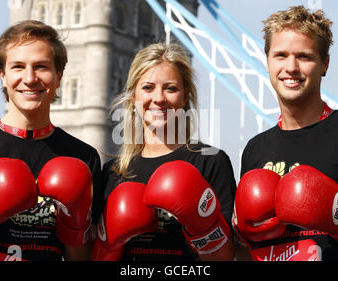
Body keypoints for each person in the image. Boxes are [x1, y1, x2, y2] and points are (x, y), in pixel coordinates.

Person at [232, 6, 338, 261]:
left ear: (325, 64)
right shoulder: (255, 149)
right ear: (268, 62)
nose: (291, 67)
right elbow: (245, 255)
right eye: (280, 55)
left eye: (304, 56)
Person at [0, 20, 101, 261]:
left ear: (58, 76)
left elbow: (83, 258)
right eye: (18, 67)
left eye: (41, 67)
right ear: (3, 76)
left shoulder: (83, 157)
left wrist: (75, 227)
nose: (29, 78)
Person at [92, 43, 236, 261]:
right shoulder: (113, 172)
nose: (159, 99)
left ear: (185, 96)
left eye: (170, 88)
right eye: (148, 88)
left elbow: (227, 257)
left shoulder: (210, 161)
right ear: (133, 97)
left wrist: (204, 228)